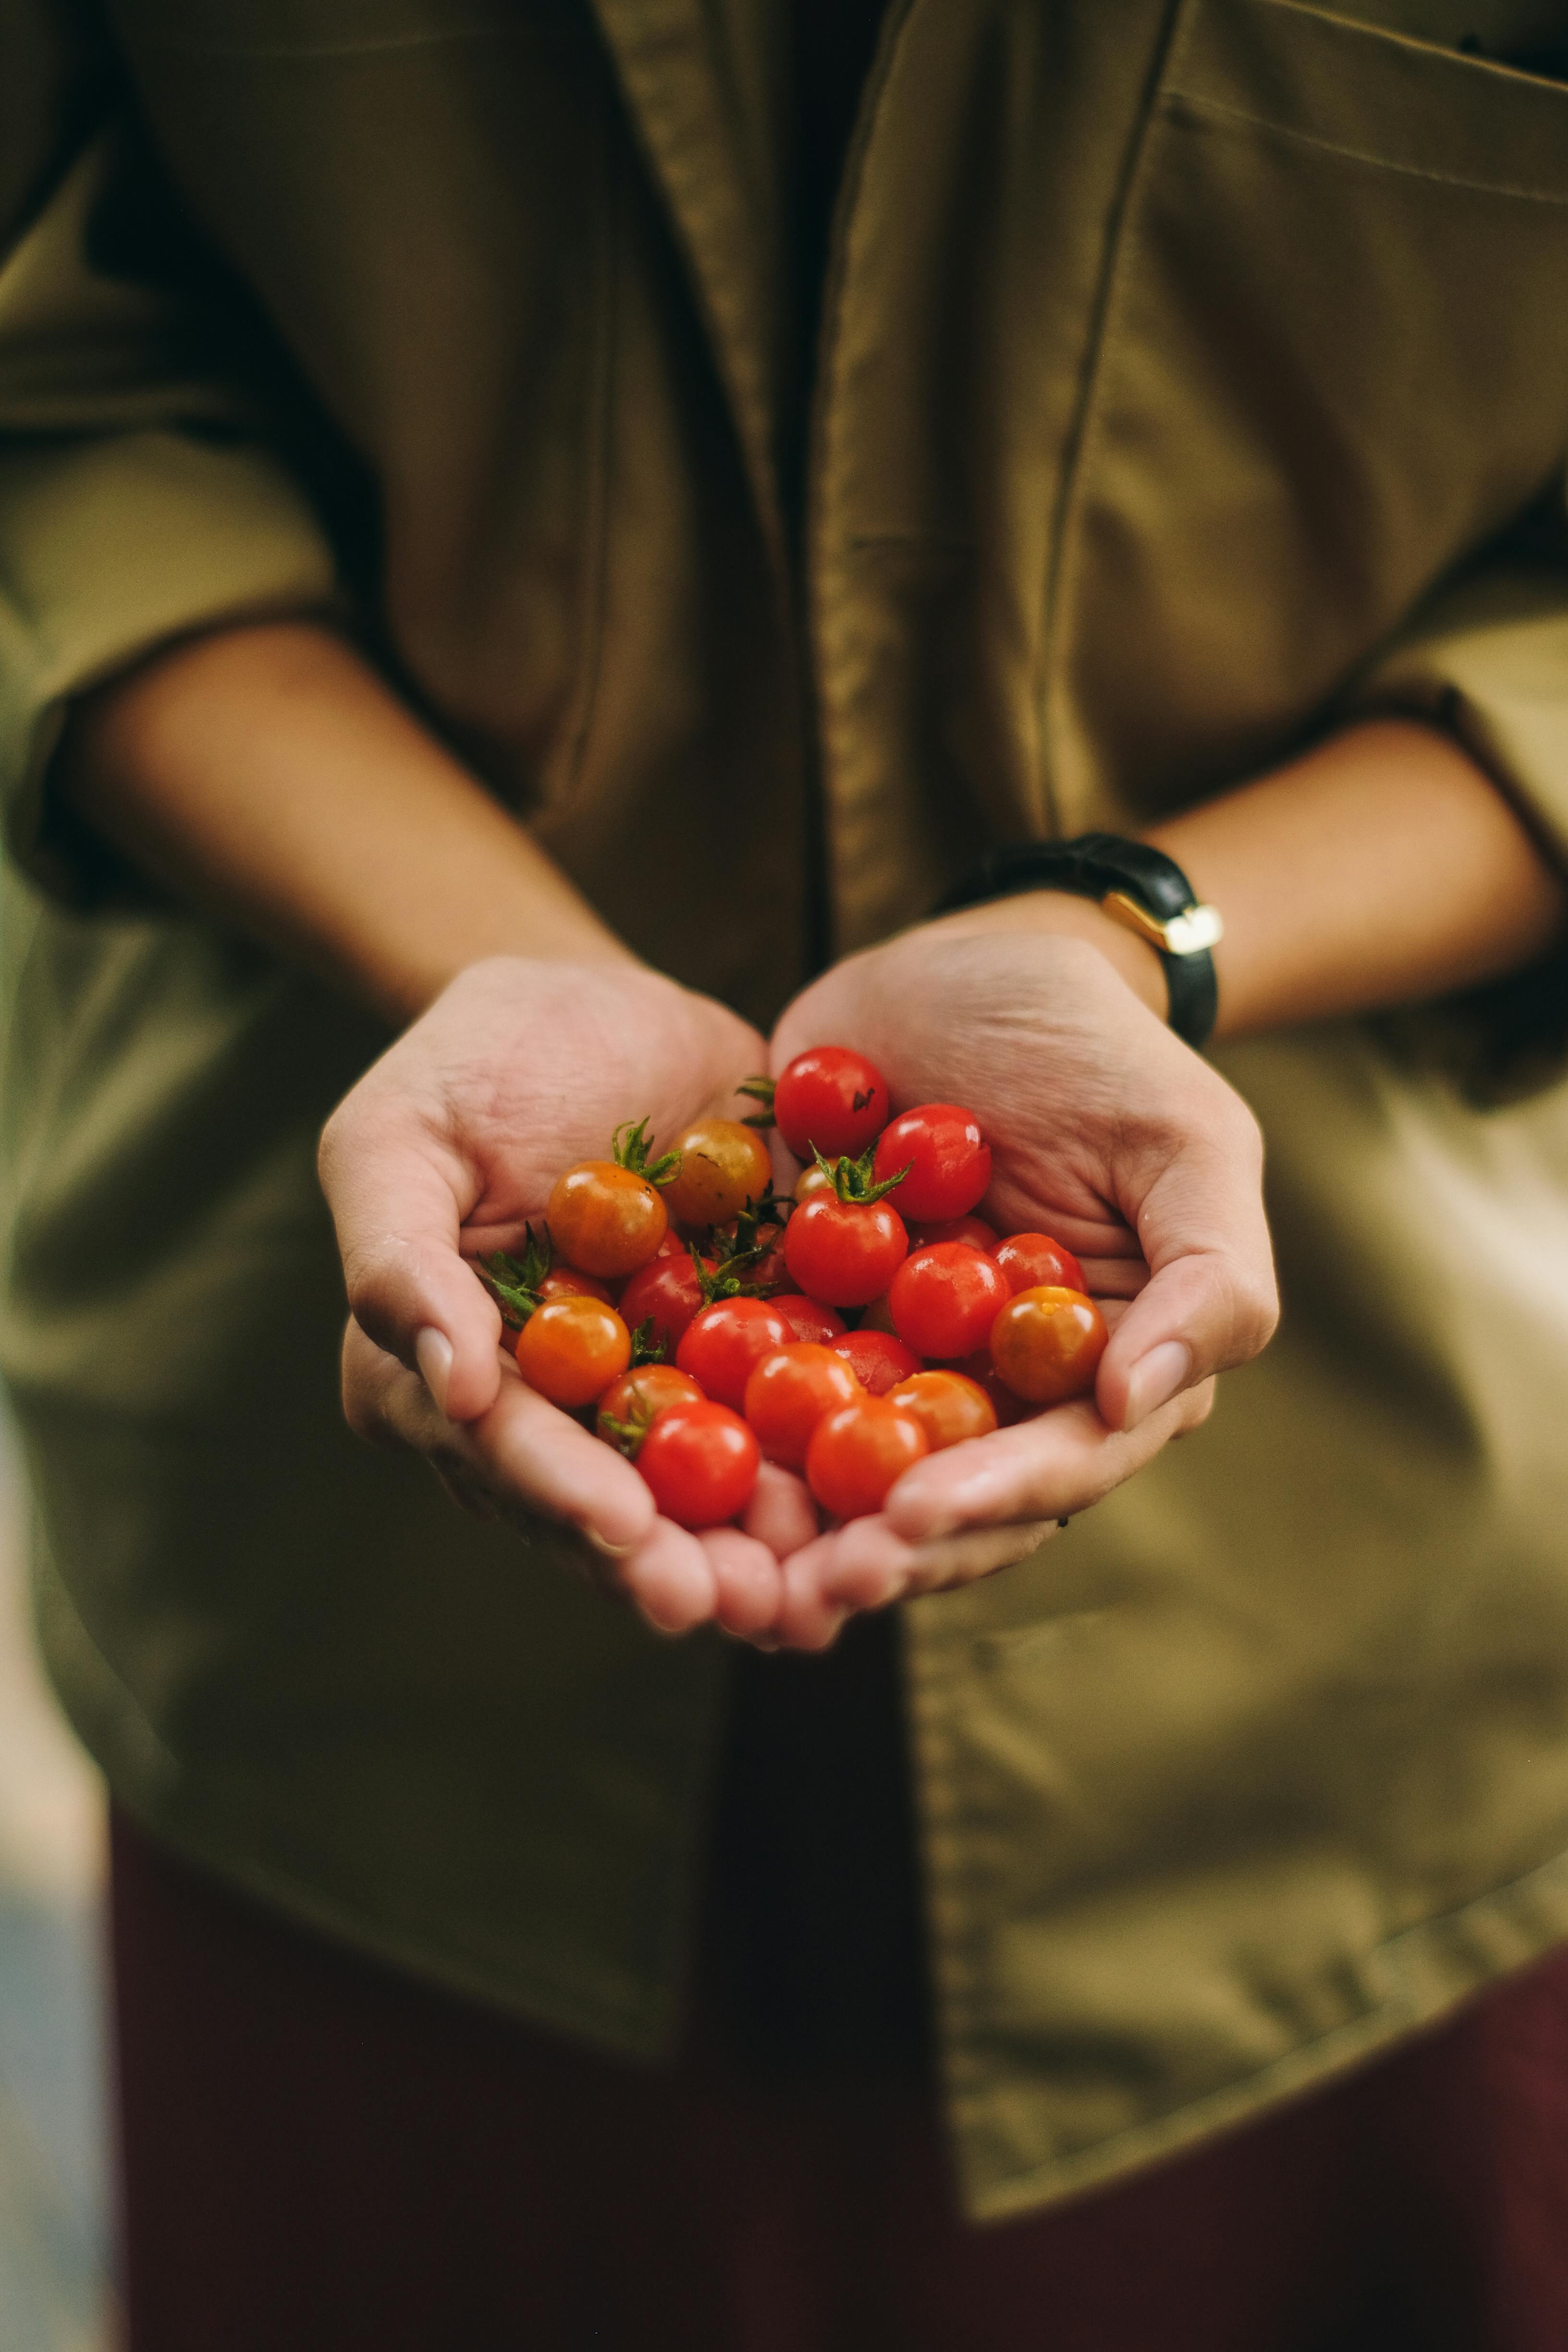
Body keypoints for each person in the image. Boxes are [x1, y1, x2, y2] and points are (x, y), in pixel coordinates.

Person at [5, 0, 1568, 2342]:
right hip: (350, 1659)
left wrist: (1130, 939)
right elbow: (54, 394)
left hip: (1347, 1661)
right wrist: (505, 967)